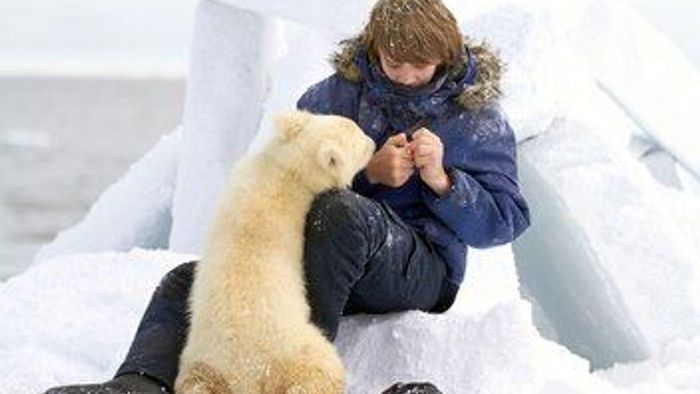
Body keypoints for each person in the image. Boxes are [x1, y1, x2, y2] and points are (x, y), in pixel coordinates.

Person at [43, 0, 530, 393]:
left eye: (419, 66)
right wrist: (371, 174)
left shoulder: (476, 117)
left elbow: (505, 222)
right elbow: (285, 181)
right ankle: (137, 384)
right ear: (373, 49)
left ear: (445, 58)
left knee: (341, 213)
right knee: (189, 279)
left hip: (415, 269)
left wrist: (444, 182)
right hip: (316, 258)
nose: (404, 75)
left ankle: (294, 381)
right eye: (393, 62)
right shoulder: (332, 98)